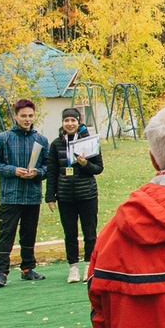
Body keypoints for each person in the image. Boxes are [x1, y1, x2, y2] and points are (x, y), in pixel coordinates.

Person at [0, 98, 50, 285]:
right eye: (23, 116)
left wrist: (37, 173)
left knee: (29, 233)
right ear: (15, 116)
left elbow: (48, 167)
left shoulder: (41, 139)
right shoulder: (2, 139)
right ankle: (1, 272)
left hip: (32, 195)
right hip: (11, 195)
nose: (27, 119)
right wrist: (12, 171)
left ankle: (28, 268)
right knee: (7, 233)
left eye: (30, 116)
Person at [46, 107, 105, 283]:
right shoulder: (56, 144)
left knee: (89, 232)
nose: (70, 124)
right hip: (65, 196)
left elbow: (99, 168)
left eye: (73, 120)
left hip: (87, 194)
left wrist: (86, 163)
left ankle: (89, 265)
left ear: (78, 122)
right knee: (70, 233)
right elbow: (51, 171)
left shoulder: (89, 142)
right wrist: (50, 195)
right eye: (66, 121)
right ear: (62, 123)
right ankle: (73, 268)